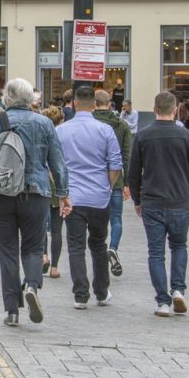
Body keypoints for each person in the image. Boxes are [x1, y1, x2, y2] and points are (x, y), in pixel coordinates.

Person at [0, 78, 71, 328]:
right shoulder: (45, 123)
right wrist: (63, 193)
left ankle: (12, 310)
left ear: (7, 98)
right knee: (34, 247)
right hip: (36, 192)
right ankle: (32, 285)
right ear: (31, 99)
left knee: (7, 251)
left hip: (0, 192)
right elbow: (57, 162)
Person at [128, 91, 189, 317]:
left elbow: (133, 173)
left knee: (156, 253)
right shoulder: (187, 136)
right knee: (179, 246)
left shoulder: (142, 136)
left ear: (154, 108)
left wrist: (137, 200)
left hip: (152, 200)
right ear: (175, 109)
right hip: (178, 200)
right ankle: (178, 289)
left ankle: (162, 301)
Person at [58, 87, 123, 309]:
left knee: (76, 246)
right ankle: (102, 291)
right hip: (99, 197)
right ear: (94, 105)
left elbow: (54, 165)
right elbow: (115, 164)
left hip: (73, 196)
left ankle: (80, 295)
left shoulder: (61, 130)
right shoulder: (106, 130)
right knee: (98, 244)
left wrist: (62, 190)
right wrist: (108, 186)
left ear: (74, 103)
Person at [92, 89, 133, 278]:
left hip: (91, 181)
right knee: (116, 218)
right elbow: (127, 157)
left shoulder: (88, 123)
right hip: (115, 180)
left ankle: (98, 255)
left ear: (94, 103)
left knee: (94, 221)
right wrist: (127, 184)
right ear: (110, 104)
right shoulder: (122, 125)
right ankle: (113, 247)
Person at [40, 106, 66, 278]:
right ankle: (55, 267)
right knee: (57, 229)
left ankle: (43, 256)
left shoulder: (42, 135)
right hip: (58, 184)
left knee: (41, 226)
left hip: (42, 183)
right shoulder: (63, 135)